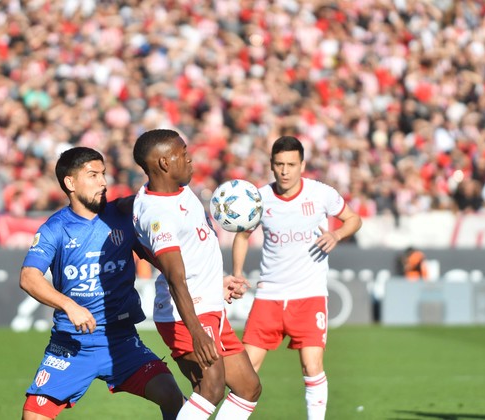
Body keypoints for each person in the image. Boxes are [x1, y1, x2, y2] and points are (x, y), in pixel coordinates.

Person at [19, 146, 184, 420]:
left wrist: (213, 281)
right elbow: (29, 276)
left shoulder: (122, 217)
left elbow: (166, 260)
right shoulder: (55, 228)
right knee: (33, 416)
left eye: (104, 174)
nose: (104, 182)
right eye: (93, 175)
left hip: (121, 340)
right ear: (70, 183)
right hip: (71, 345)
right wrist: (70, 306)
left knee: (173, 397)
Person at [132, 129, 262, 419]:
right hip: (187, 315)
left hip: (208, 303)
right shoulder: (159, 215)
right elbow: (176, 279)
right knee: (211, 389)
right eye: (183, 154)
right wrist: (197, 333)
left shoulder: (174, 189)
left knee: (248, 388)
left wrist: (215, 283)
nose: (190, 159)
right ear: (164, 162)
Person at [232, 136, 362, 420]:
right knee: (245, 372)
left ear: (302, 165)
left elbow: (354, 219)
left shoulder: (321, 193)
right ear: (271, 165)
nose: (285, 171)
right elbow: (241, 236)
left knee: (312, 366)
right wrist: (238, 274)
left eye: (291, 164)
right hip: (269, 295)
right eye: (279, 164)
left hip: (309, 294)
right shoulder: (259, 198)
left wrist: (337, 234)